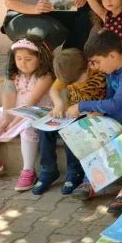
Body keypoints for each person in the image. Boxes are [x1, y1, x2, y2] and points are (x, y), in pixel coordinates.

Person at [67, 29, 122, 214]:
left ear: (113, 55)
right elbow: (111, 100)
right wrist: (98, 112)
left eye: (96, 62)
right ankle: (90, 180)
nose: (94, 67)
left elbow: (115, 103)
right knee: (102, 129)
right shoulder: (112, 70)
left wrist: (82, 106)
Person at [0, 36, 54, 191]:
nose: (23, 63)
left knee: (28, 127)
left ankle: (28, 170)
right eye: (18, 58)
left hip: (35, 112)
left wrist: (14, 122)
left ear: (40, 59)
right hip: (16, 111)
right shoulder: (13, 75)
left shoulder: (45, 76)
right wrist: (6, 119)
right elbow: (8, 97)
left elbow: (31, 103)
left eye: (28, 59)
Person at [35, 48, 106, 195]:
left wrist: (101, 111)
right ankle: (48, 170)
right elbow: (54, 90)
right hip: (70, 114)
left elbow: (111, 99)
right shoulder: (68, 72)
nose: (75, 84)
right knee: (44, 128)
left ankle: (74, 172)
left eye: (77, 80)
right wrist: (58, 104)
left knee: (71, 131)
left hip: (93, 117)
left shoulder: (101, 72)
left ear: (87, 65)